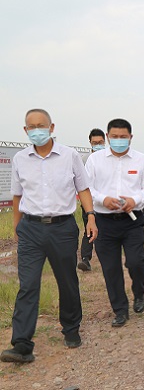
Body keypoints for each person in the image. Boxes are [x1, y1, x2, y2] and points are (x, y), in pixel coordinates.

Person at [1, 109, 97, 363]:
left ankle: (71, 329)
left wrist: (90, 216)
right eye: (31, 127)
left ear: (52, 127)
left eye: (41, 125)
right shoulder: (20, 159)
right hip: (30, 228)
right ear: (25, 130)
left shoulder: (69, 156)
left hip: (62, 228)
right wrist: (17, 226)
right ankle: (22, 344)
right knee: (28, 285)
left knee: (67, 281)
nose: (37, 130)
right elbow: (18, 195)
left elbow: (83, 188)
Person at [86, 118, 144, 327]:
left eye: (123, 137)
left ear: (130, 137)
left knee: (136, 261)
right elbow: (87, 189)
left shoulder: (141, 160)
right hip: (104, 222)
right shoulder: (95, 160)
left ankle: (139, 292)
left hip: (132, 221)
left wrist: (135, 200)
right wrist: (103, 199)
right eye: (114, 137)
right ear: (107, 137)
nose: (118, 140)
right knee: (110, 268)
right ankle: (120, 310)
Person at [77, 128, 106, 271]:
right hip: (89, 201)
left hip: (106, 201)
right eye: (95, 143)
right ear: (90, 143)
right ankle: (85, 259)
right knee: (89, 229)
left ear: (105, 141)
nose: (98, 145)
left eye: (100, 142)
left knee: (106, 229)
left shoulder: (110, 159)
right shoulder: (84, 160)